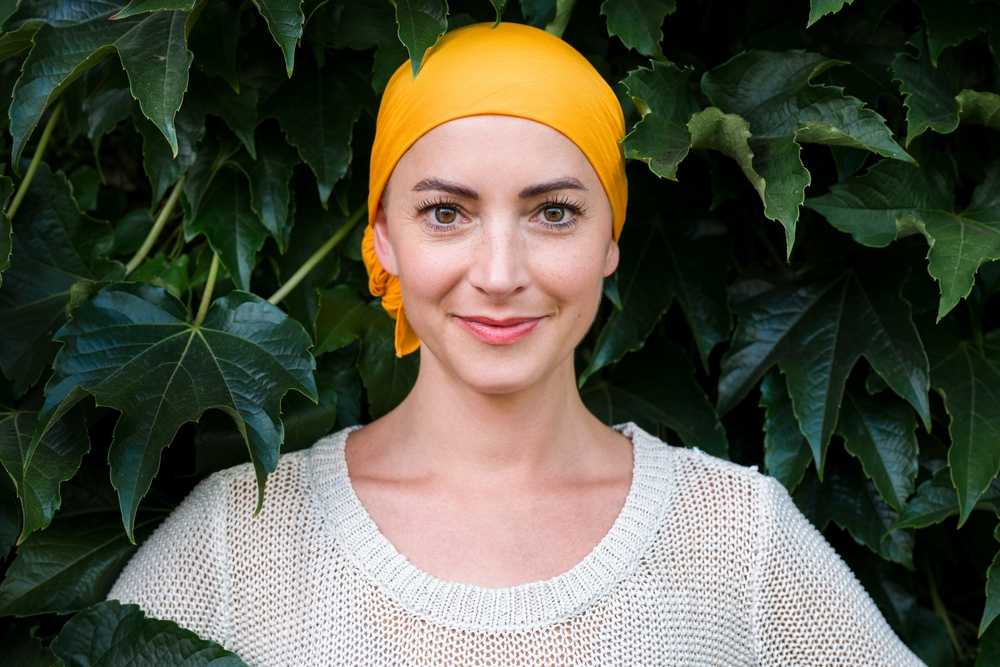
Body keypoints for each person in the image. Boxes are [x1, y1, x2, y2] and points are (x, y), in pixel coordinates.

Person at [108, 22, 926, 667]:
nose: (499, 273)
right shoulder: (239, 538)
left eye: (555, 212)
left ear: (613, 240)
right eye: (445, 212)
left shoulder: (735, 538)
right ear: (383, 240)